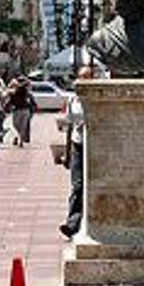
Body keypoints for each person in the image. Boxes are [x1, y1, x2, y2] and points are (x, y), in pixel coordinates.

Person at [59, 65, 94, 239]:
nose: (82, 82)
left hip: (95, 147)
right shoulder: (73, 101)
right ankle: (72, 224)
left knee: (94, 186)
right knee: (78, 185)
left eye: (87, 78)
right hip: (78, 145)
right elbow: (70, 126)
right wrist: (66, 152)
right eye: (80, 78)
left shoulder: (98, 100)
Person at [7, 77, 35, 147]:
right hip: (25, 111)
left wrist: (6, 107)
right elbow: (33, 103)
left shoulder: (15, 93)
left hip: (19, 111)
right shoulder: (26, 94)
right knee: (22, 126)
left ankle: (19, 139)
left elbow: (9, 102)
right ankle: (21, 139)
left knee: (16, 125)